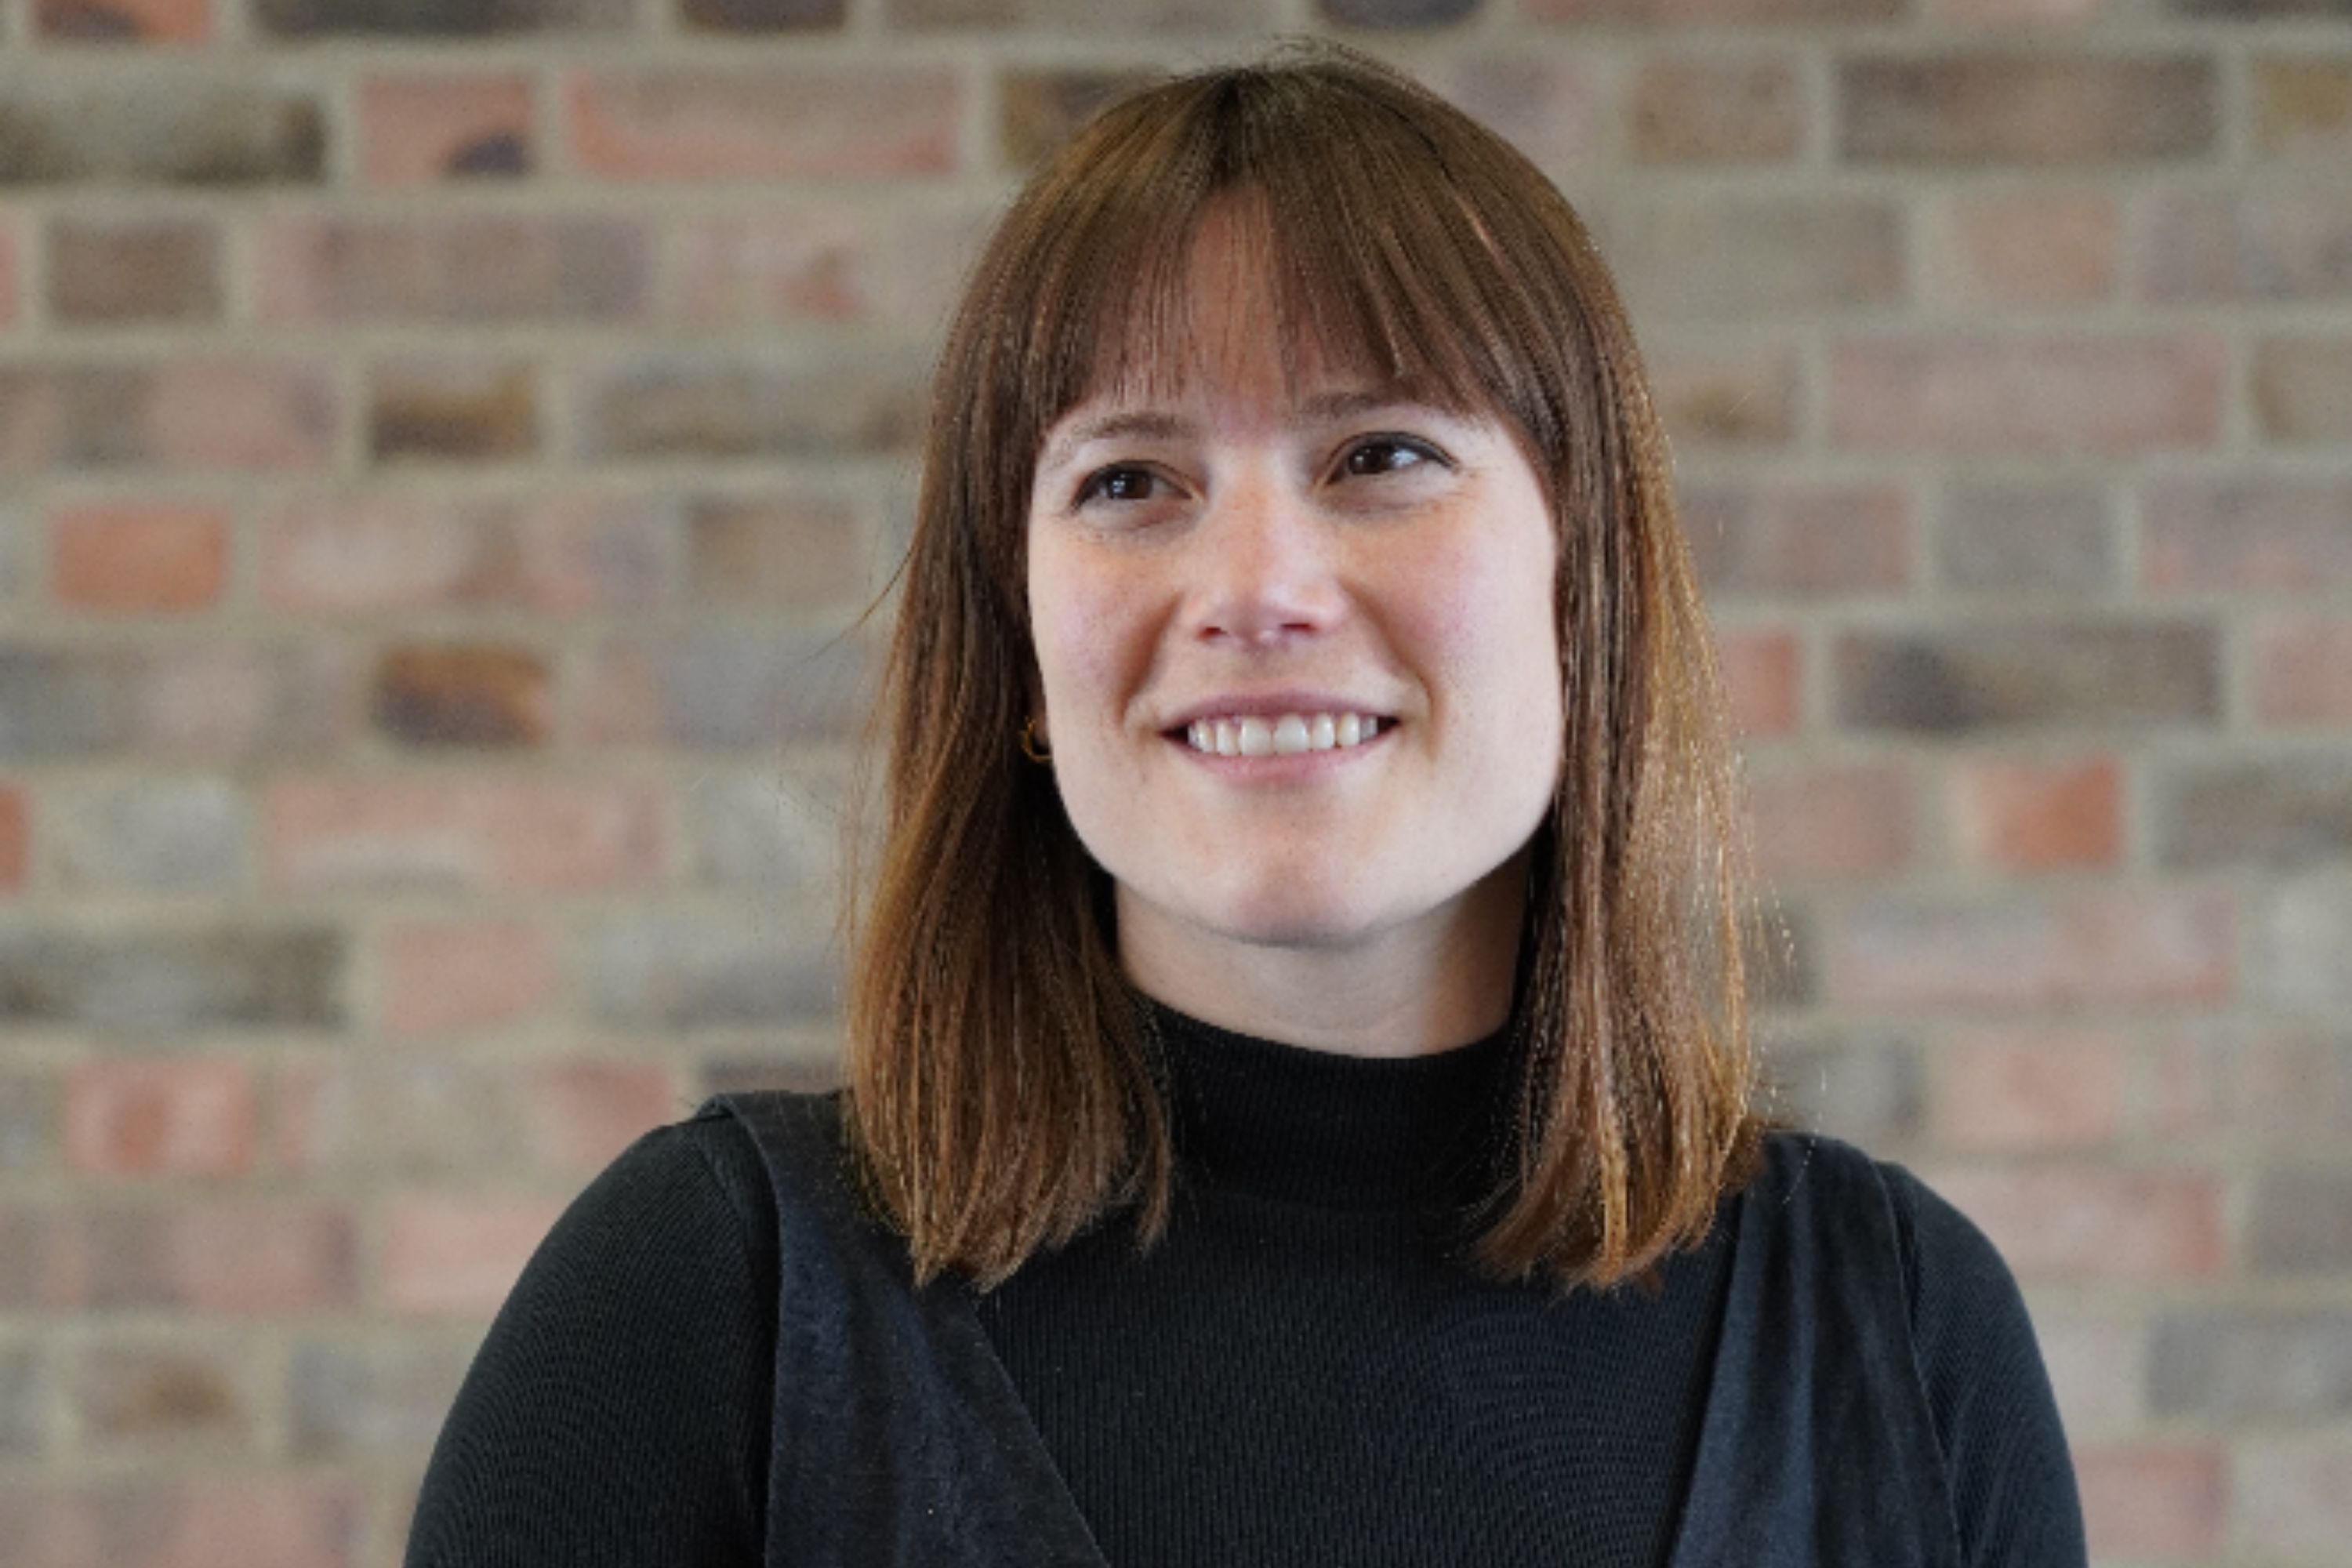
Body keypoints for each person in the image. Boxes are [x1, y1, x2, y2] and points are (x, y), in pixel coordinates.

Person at [404, 45, 2086, 1568]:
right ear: (1020, 638)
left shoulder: (1902, 1340)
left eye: (1382, 456)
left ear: (1585, 582)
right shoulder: (713, 1306)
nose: (1256, 585)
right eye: (1132, 481)